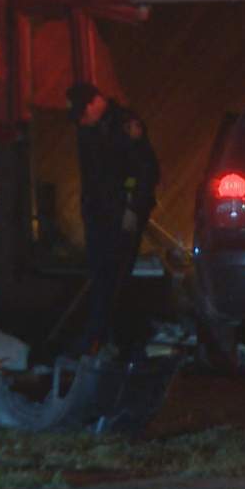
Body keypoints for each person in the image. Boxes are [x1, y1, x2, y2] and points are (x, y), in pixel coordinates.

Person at [67, 81, 160, 361]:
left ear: (95, 103)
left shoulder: (124, 126)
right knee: (102, 277)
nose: (82, 121)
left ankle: (118, 342)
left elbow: (144, 170)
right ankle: (104, 340)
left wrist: (132, 208)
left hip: (120, 215)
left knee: (115, 279)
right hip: (100, 214)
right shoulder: (92, 129)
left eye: (84, 113)